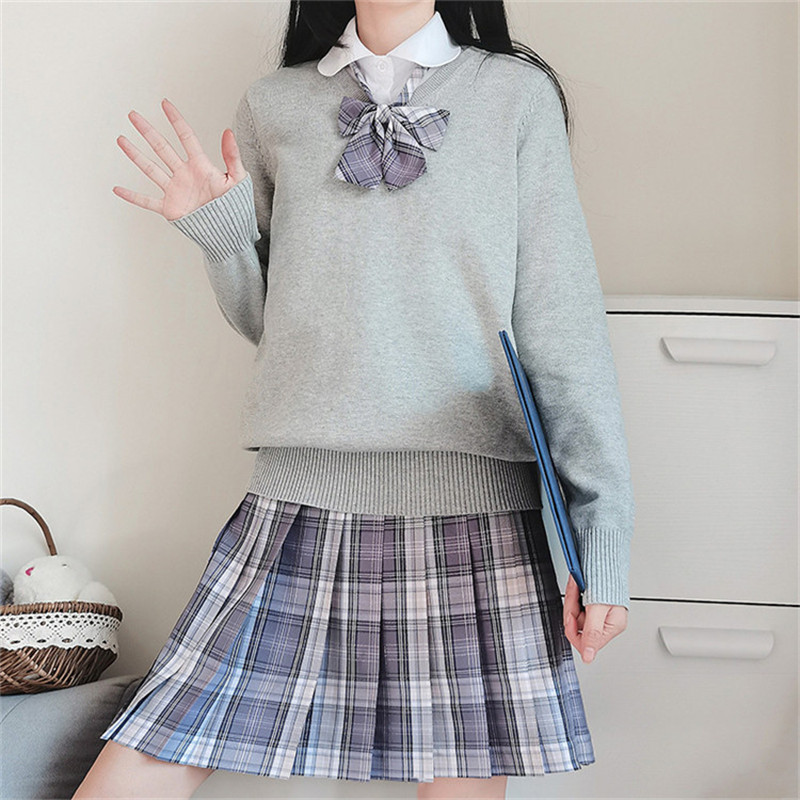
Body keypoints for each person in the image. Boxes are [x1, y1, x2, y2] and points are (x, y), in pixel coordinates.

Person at [73, 1, 635, 798]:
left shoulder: (513, 97)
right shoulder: (274, 104)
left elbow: (561, 324)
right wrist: (221, 235)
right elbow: (277, 324)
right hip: (299, 498)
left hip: (474, 507)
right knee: (154, 746)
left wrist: (600, 535)